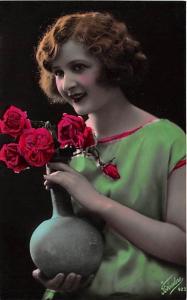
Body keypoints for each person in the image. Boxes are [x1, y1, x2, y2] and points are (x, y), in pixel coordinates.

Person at [32, 11, 186, 300]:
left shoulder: (169, 141)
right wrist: (58, 273)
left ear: (110, 65)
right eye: (59, 72)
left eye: (78, 67)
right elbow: (79, 244)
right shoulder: (66, 147)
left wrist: (96, 201)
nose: (67, 84)